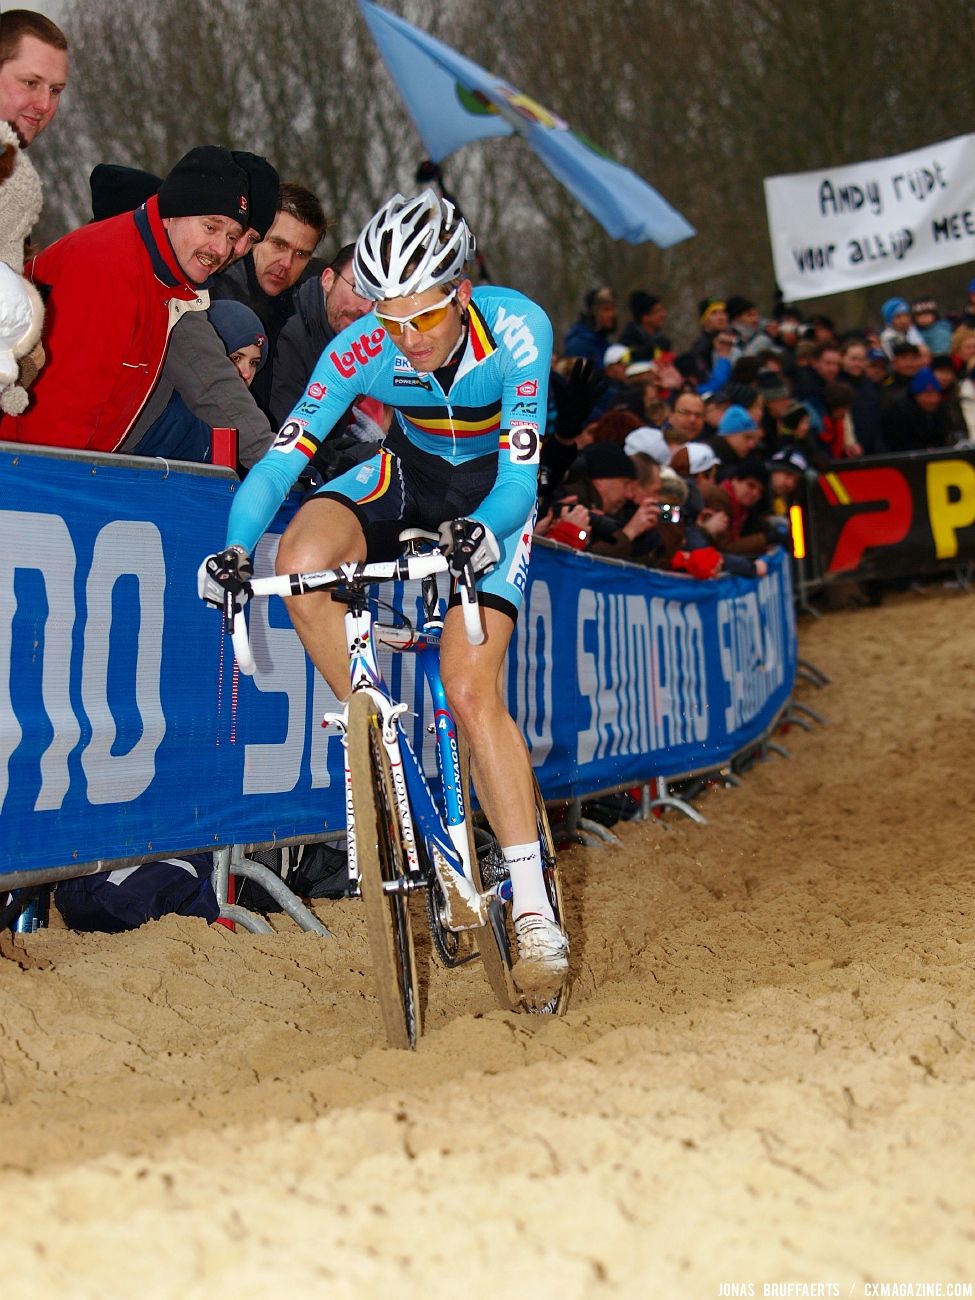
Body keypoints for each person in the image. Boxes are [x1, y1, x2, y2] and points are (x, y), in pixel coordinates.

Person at [201, 189, 569, 989]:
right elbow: (282, 460)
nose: (406, 339)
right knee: (297, 562)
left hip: (490, 504)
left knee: (471, 692)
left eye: (423, 320)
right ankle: (381, 746)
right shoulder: (361, 346)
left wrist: (482, 534)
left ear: (460, 293)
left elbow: (517, 479)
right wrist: (232, 549)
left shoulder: (516, 329)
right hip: (407, 476)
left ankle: (534, 905)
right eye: (390, 320)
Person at [0, 145, 250, 451]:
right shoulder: (109, 267)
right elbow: (59, 415)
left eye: (231, 237)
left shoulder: (162, 280)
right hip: (25, 472)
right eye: (211, 227)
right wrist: (60, 490)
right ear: (172, 215)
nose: (221, 250)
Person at [562, 285, 617, 363]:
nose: (611, 314)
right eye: (606, 310)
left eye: (613, 309)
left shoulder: (604, 342)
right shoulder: (579, 345)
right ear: (593, 312)